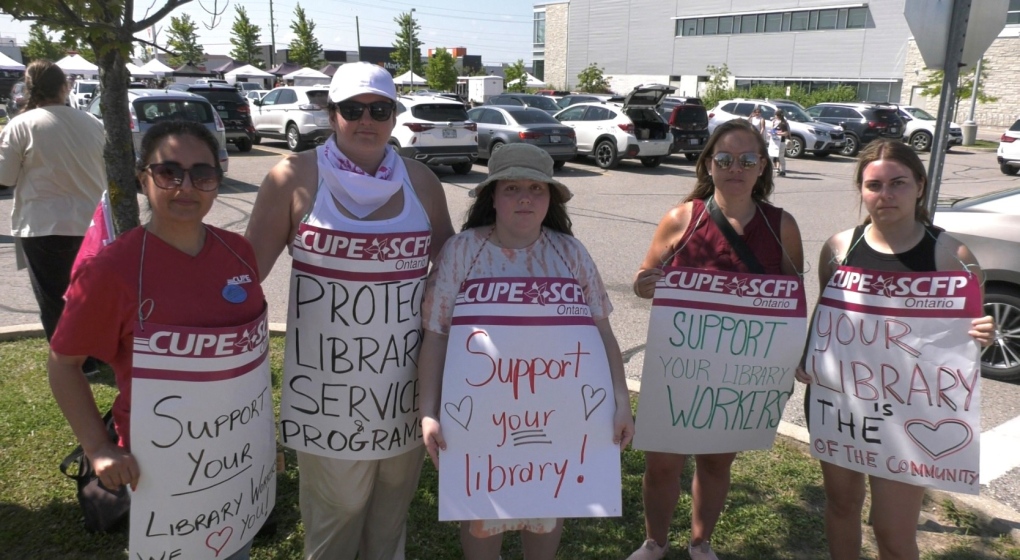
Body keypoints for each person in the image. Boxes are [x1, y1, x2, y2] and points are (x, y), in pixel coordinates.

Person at [245, 61, 454, 560]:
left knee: (388, 522)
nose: (367, 120)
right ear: (331, 112)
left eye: (379, 109)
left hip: (403, 390)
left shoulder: (421, 181)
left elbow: (451, 275)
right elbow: (242, 279)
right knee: (334, 522)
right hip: (326, 398)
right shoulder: (293, 177)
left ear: (394, 113)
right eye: (352, 109)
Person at [48, 120, 266, 560]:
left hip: (236, 455)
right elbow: (63, 363)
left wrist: (260, 442)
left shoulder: (236, 251)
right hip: (157, 462)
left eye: (202, 174)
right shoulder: (112, 270)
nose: (186, 186)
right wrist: (98, 447)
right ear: (143, 177)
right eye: (169, 172)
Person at [417, 143, 634, 560]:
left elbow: (603, 335)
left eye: (536, 188)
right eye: (512, 187)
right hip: (479, 429)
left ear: (550, 198)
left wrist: (621, 402)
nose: (524, 198)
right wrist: (429, 410)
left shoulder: (570, 254)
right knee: (481, 529)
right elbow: (437, 335)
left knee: (546, 519)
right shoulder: (462, 252)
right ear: (492, 197)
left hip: (557, 427)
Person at [794, 139, 994, 560]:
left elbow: (966, 336)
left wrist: (982, 334)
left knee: (893, 530)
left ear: (919, 186)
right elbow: (825, 312)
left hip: (912, 412)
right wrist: (807, 355)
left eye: (898, 183)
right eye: (874, 185)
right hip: (841, 404)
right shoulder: (838, 247)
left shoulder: (952, 256)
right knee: (842, 505)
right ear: (861, 190)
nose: (885, 195)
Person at [628, 119, 804, 560]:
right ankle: (655, 541)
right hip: (679, 366)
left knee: (715, 461)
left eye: (747, 160)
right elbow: (642, 278)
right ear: (708, 164)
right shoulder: (681, 218)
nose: (736, 169)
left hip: (736, 377)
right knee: (662, 463)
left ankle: (700, 541)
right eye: (724, 159)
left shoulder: (782, 226)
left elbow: (792, 298)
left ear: (763, 166)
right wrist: (647, 284)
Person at [0, 60, 106, 375]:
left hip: (43, 225)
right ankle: (96, 353)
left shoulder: (21, 124)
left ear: (29, 89)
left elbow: (5, 177)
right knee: (88, 295)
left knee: (53, 297)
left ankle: (75, 363)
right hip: (91, 223)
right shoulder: (91, 121)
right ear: (66, 87)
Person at [768, 109, 790, 177]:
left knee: (780, 156)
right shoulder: (773, 122)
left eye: (776, 115)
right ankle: (771, 169)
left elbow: (786, 133)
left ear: (778, 115)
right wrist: (771, 133)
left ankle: (783, 170)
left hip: (781, 142)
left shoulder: (783, 123)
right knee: (770, 155)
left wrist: (778, 133)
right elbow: (771, 130)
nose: (775, 116)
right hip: (773, 141)